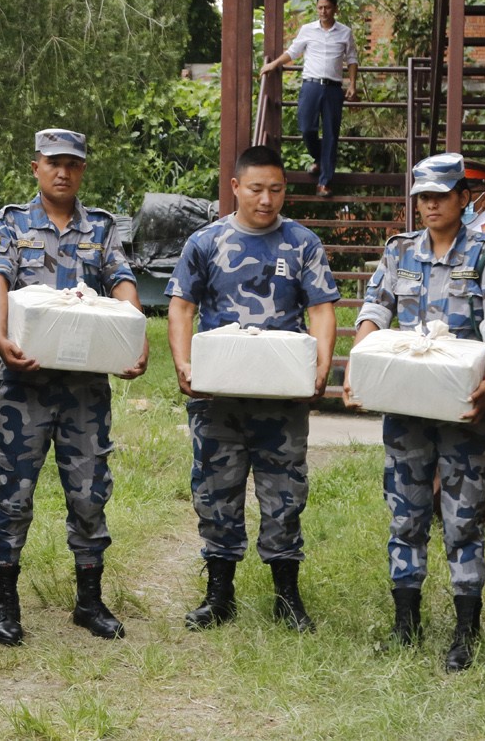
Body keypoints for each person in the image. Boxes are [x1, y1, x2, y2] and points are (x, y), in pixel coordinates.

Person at [344, 152, 485, 671]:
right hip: (408, 407)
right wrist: (357, 367)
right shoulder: (399, 252)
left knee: (464, 520)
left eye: (441, 194)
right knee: (406, 514)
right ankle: (405, 623)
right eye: (422, 196)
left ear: (464, 197)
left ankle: (465, 630)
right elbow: (373, 313)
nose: (431, 204)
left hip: (464, 408)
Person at [0, 129, 148, 645]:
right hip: (24, 385)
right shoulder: (12, 222)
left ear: (81, 170)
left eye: (72, 164)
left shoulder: (100, 227)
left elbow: (121, 280)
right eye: (53, 163)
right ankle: (4, 601)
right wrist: (0, 334)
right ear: (36, 166)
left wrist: (133, 333)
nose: (63, 172)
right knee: (12, 492)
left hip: (84, 390)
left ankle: (89, 600)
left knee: (89, 492)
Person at [166, 145, 339, 633]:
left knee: (284, 493)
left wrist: (321, 366)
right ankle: (219, 595)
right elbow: (181, 305)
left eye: (277, 190)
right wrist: (183, 362)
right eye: (257, 189)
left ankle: (287, 596)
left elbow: (323, 308)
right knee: (215, 493)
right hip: (218, 396)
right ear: (236, 186)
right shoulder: (206, 241)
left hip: (280, 398)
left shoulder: (301, 243)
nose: (266, 200)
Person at [260, 0, 360, 197]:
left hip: (333, 88)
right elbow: (293, 51)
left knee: (331, 134)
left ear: (335, 9)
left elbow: (351, 59)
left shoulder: (345, 32)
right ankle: (319, 160)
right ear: (317, 8)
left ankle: (324, 182)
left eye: (327, 7)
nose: (323, 11)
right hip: (311, 86)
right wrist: (274, 64)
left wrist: (352, 84)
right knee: (306, 128)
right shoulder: (307, 30)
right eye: (320, 7)